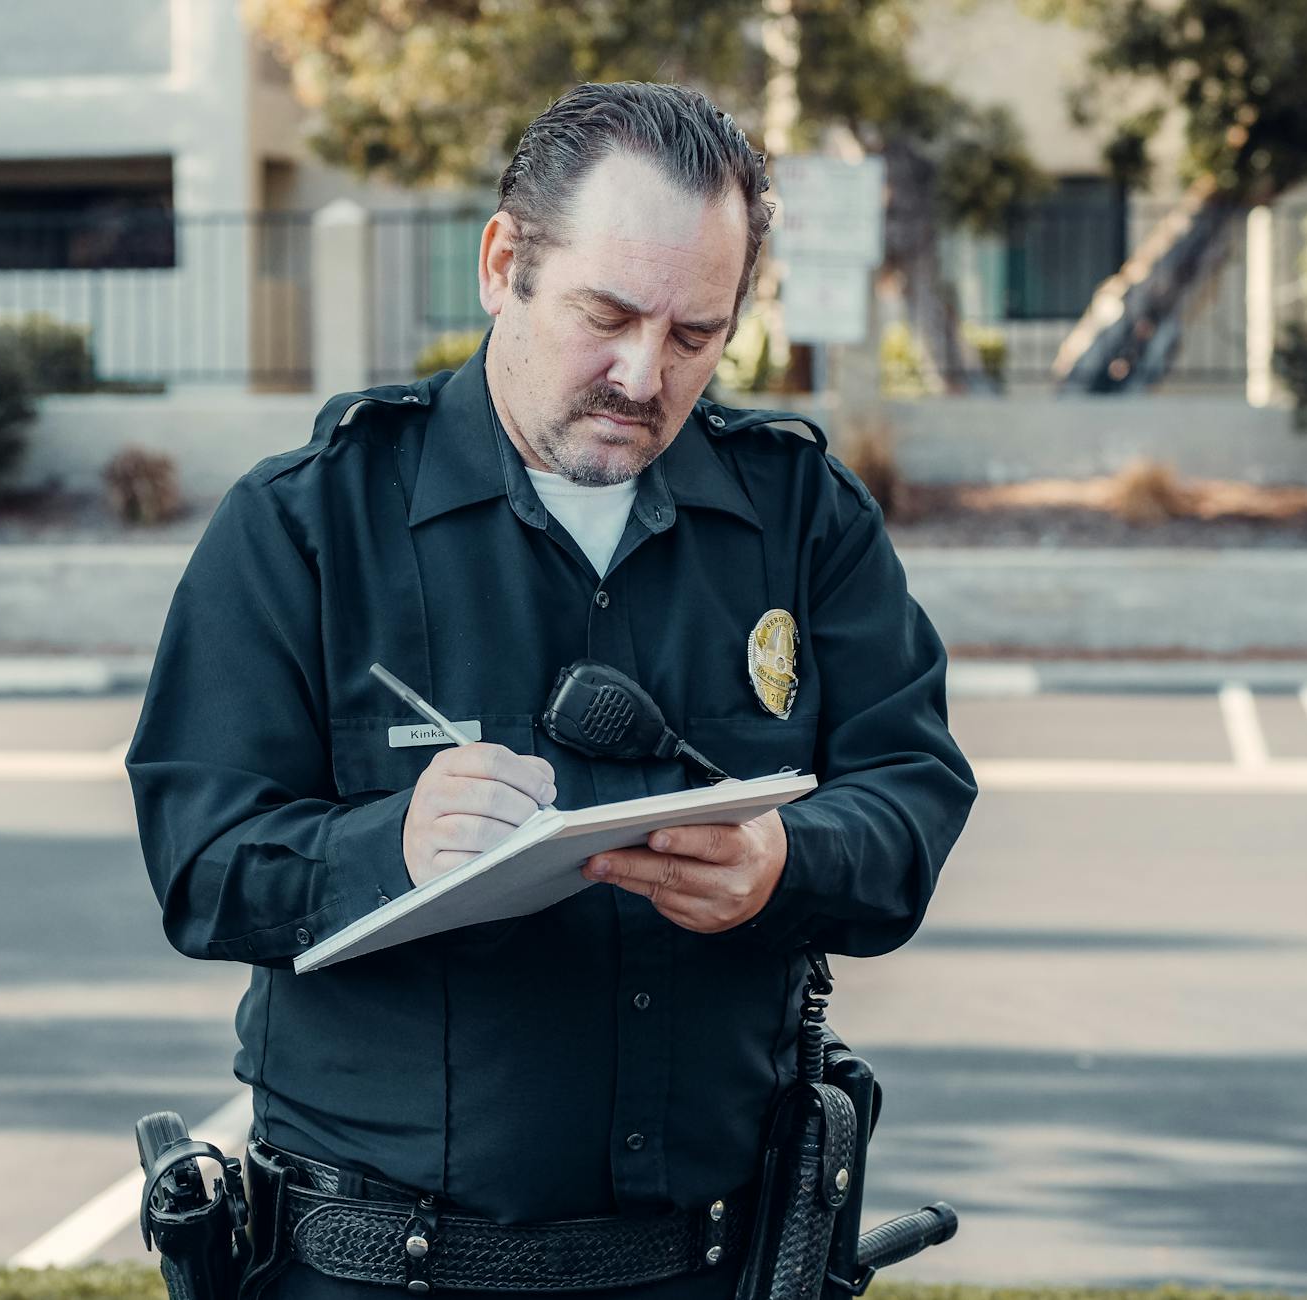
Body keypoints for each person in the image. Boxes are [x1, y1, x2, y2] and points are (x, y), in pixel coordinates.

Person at [127, 81, 977, 1299]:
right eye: (608, 314)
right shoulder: (307, 523)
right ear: (502, 262)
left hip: (709, 1262)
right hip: (373, 1270)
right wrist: (392, 846)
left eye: (696, 335)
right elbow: (198, 861)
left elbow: (910, 789)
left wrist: (789, 861)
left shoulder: (799, 516)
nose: (643, 374)